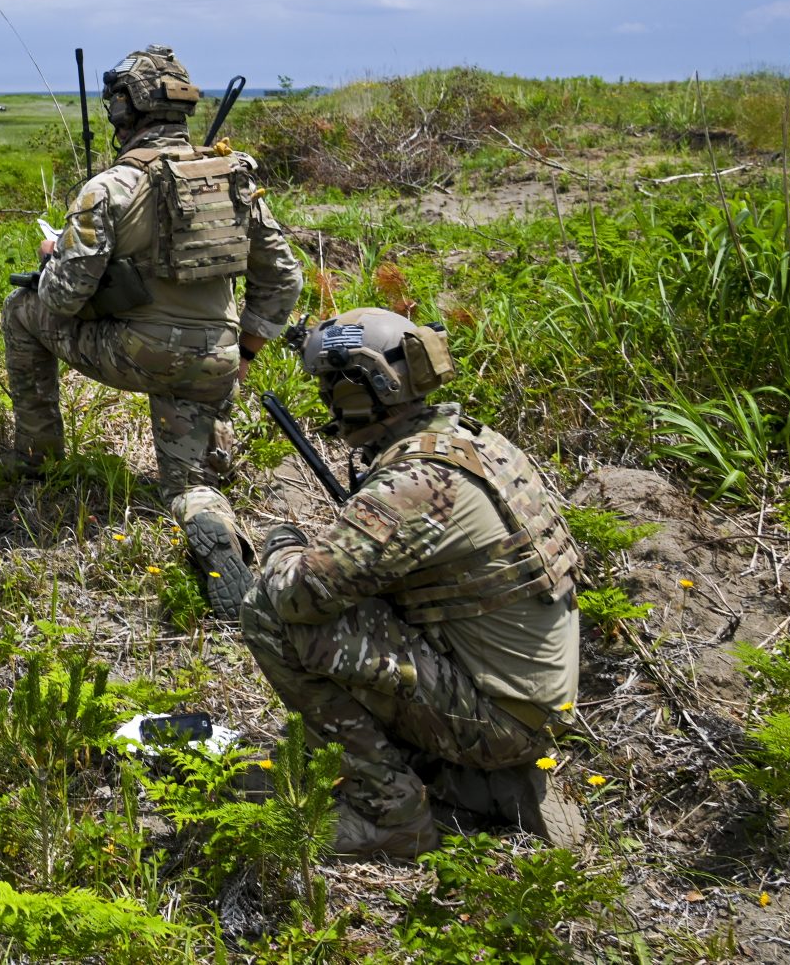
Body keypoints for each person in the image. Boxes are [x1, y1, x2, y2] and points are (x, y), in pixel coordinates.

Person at [241, 308, 585, 858]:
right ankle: (463, 779)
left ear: (361, 390)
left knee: (268, 610)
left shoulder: (414, 480)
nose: (326, 400)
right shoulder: (476, 442)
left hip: (499, 721)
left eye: (330, 385)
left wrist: (280, 544)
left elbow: (300, 595)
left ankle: (392, 814)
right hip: (534, 707)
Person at [0, 44, 301, 618]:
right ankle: (213, 523)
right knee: (188, 483)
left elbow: (62, 298)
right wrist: (248, 350)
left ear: (124, 113)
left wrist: (54, 252)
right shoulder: (233, 177)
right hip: (215, 357)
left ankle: (37, 458)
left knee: (21, 308)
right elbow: (284, 275)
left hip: (137, 351)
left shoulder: (107, 189)